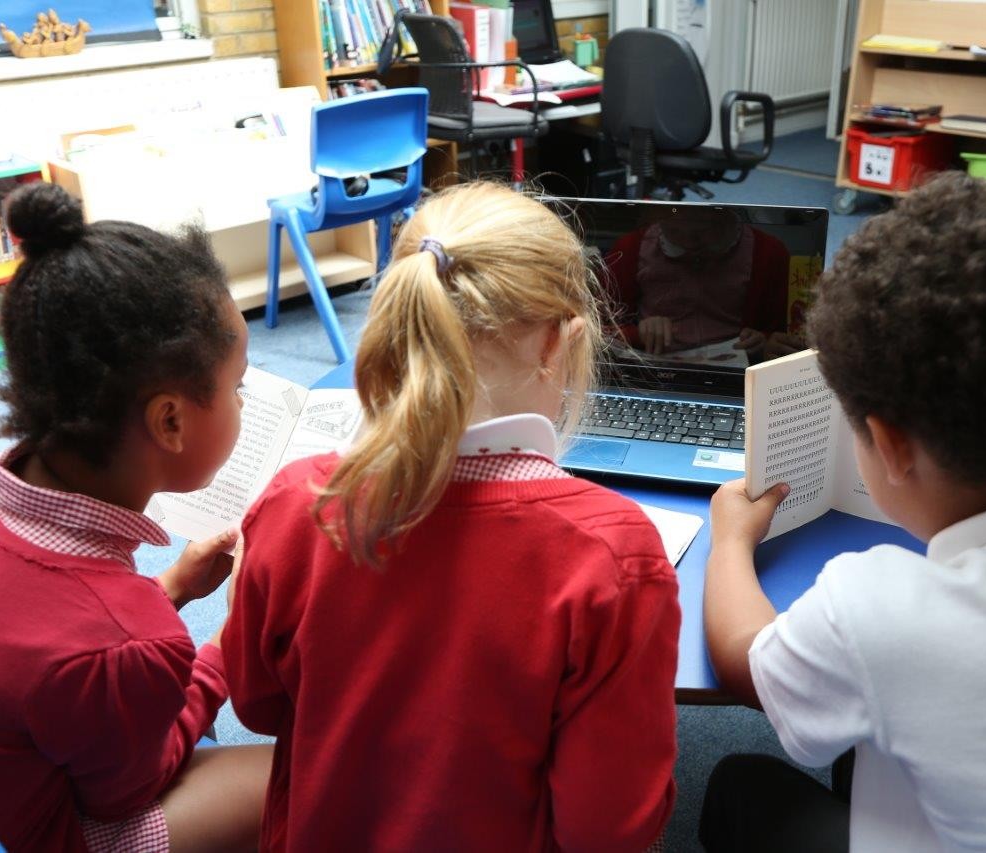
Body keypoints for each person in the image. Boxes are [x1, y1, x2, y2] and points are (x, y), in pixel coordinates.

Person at [222, 182, 681, 852]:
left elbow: (257, 705)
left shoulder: (297, 504)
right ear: (560, 343)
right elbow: (607, 829)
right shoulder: (613, 556)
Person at [697, 173, 986, 851]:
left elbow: (745, 660)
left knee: (739, 783)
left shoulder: (876, 609)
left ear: (889, 444)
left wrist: (731, 539)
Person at [0, 183, 271, 852]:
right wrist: (225, 647)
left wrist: (167, 589)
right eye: (237, 386)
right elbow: (131, 788)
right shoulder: (125, 645)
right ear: (170, 420)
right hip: (13, 835)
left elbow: (34, 646)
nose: (241, 399)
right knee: (286, 775)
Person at [601, 209, 797, 362]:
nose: (689, 243)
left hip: (737, 370)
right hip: (656, 368)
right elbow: (598, 329)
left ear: (727, 218)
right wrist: (638, 333)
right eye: (675, 231)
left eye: (703, 232)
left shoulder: (769, 252)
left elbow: (787, 333)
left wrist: (763, 340)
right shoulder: (631, 247)